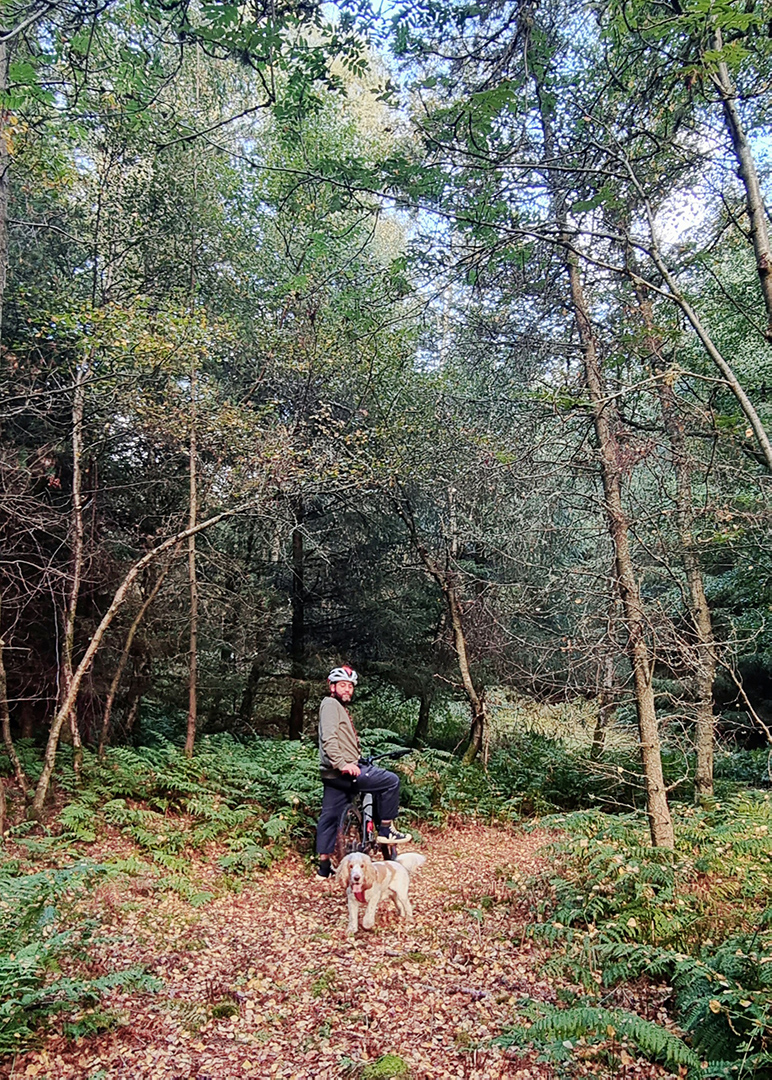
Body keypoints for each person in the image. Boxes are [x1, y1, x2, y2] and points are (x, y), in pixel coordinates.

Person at [314, 665, 411, 880]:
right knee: (391, 781)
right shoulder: (330, 704)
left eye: (350, 686)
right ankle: (386, 829)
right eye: (342, 685)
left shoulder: (335, 706)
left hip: (331, 775)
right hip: (342, 772)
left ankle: (323, 868)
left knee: (329, 817)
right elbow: (328, 738)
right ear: (332, 687)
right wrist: (342, 763)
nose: (347, 689)